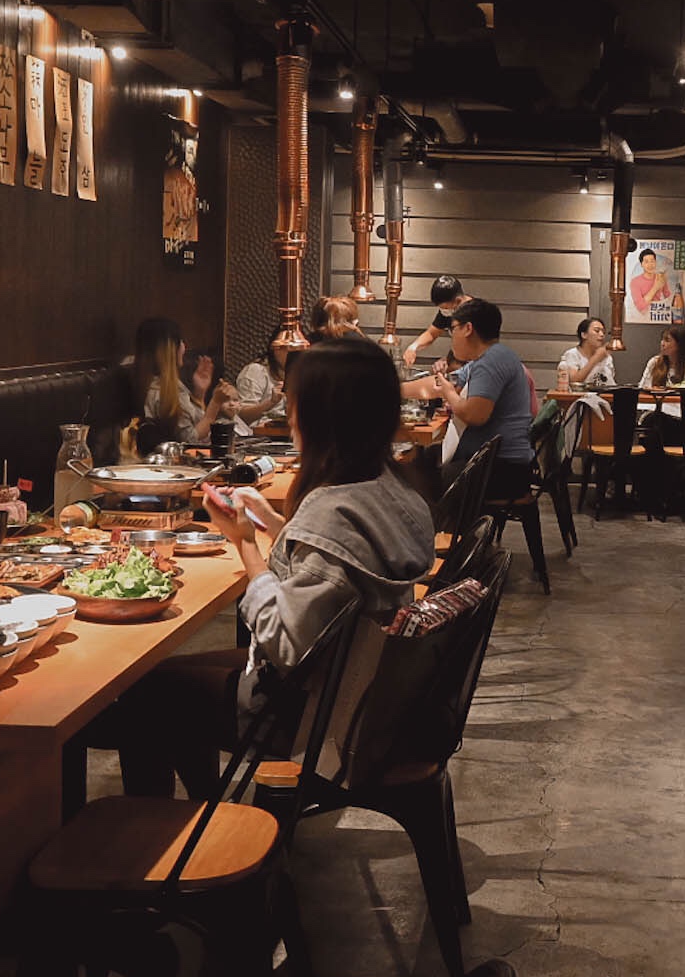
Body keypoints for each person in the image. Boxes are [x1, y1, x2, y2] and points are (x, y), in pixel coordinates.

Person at [100, 339, 434, 798]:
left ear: (322, 416)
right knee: (170, 678)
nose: (289, 415)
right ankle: (209, 808)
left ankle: (158, 838)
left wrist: (245, 545)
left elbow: (284, 643)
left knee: (147, 693)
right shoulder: (395, 491)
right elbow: (334, 567)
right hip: (366, 694)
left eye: (295, 402)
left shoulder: (331, 511)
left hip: (311, 712)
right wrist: (277, 524)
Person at [405, 297, 535, 501]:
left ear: (467, 329)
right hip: (495, 464)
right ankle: (437, 528)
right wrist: (394, 389)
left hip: (502, 470)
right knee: (424, 459)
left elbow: (475, 415)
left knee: (419, 480)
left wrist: (449, 393)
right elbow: (439, 384)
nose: (451, 336)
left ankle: (438, 530)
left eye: (452, 329)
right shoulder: (485, 360)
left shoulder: (491, 361)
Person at [135, 316, 224, 443]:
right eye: (180, 341)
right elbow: (189, 440)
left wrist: (200, 394)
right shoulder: (159, 392)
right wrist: (215, 404)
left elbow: (196, 425)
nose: (184, 347)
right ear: (170, 349)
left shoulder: (168, 384)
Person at [225, 329, 290, 435]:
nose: (289, 351)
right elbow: (242, 417)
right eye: (283, 347)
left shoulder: (300, 373)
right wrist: (271, 402)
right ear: (273, 348)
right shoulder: (256, 371)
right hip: (257, 438)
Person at [402, 275, 471, 367]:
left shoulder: (476, 312)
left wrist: (450, 362)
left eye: (446, 307)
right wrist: (413, 347)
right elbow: (432, 333)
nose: (444, 311)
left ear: (458, 300)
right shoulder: (448, 312)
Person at [558, 316, 617, 390]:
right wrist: (595, 359)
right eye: (597, 331)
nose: (602, 335)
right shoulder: (572, 354)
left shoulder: (607, 357)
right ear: (584, 335)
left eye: (603, 332)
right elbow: (574, 381)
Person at [628, 247, 671, 317]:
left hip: (659, 314)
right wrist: (656, 287)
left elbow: (668, 297)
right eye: (646, 262)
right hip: (643, 316)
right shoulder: (635, 282)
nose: (650, 265)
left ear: (655, 262)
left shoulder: (660, 277)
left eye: (652, 261)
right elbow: (640, 307)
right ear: (641, 264)